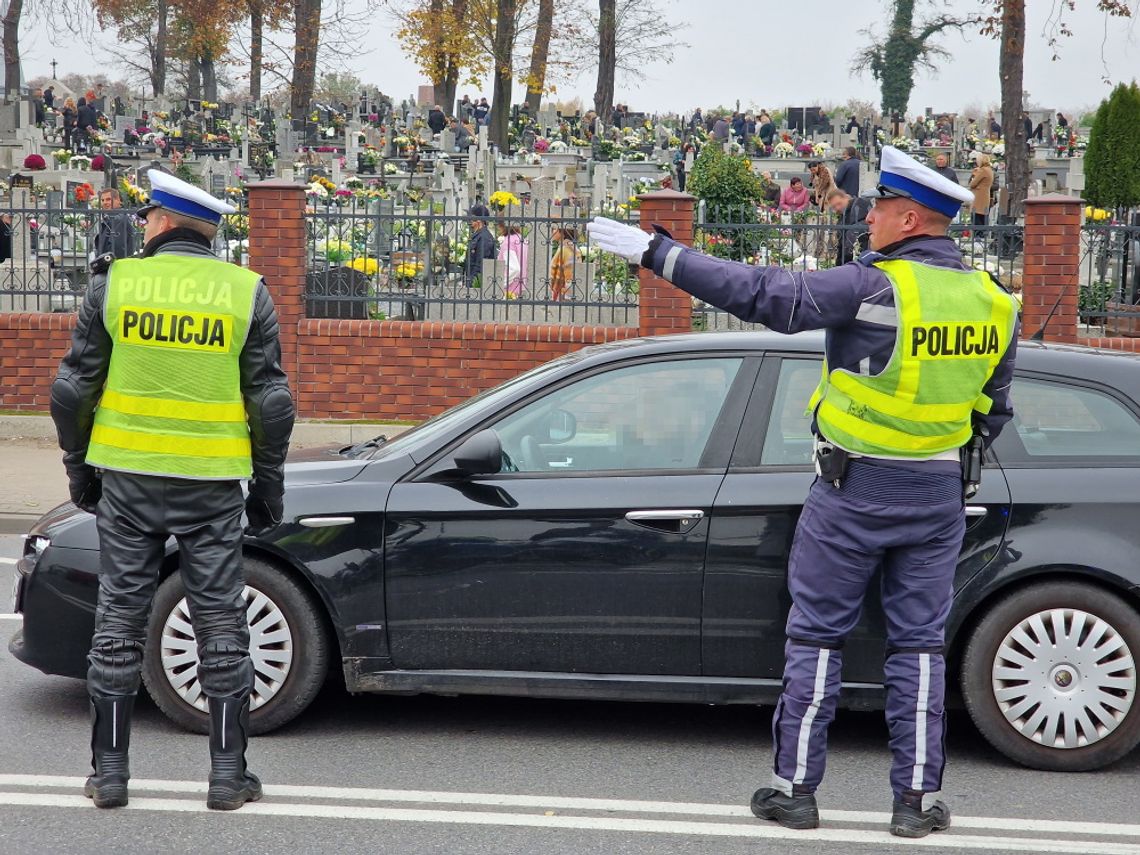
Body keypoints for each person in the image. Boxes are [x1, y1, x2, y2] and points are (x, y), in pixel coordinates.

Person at [587, 145, 1019, 840]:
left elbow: (766, 295)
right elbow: (993, 410)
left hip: (853, 490)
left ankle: (795, 789)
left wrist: (658, 253)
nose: (868, 215)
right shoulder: (994, 303)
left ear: (910, 217)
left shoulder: (873, 287)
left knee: (817, 636)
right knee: (918, 647)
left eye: (880, 206)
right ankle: (916, 801)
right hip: (939, 494)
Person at [50, 169, 295, 812]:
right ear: (209, 233)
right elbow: (271, 402)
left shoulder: (116, 285)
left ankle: (108, 776)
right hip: (212, 484)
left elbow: (72, 391)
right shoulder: (246, 293)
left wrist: (80, 470)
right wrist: (267, 486)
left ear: (161, 222)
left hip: (127, 480)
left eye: (146, 217)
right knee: (219, 623)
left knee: (119, 623)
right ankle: (226, 776)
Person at [825, 187, 871, 265]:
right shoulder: (842, 217)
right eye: (834, 207)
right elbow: (841, 245)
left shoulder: (859, 205)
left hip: (861, 258)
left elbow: (856, 232)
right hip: (849, 261)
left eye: (839, 203)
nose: (837, 208)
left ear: (846, 197)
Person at [93, 187, 138, 260]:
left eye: (108, 199)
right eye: (102, 200)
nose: (105, 203)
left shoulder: (117, 219)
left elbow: (117, 248)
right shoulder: (110, 218)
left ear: (118, 200)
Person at [464, 204, 498, 288]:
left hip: (477, 284)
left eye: (471, 217)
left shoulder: (484, 237)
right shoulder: (478, 235)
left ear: (479, 220)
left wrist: (471, 283)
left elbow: (480, 264)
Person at [549, 226, 579, 301]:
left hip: (563, 293)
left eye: (555, 229)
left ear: (562, 232)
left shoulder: (565, 249)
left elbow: (566, 273)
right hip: (566, 290)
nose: (552, 231)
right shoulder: (571, 247)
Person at [498, 221, 528, 298]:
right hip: (521, 287)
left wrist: (501, 283)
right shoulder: (521, 239)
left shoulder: (508, 242)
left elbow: (514, 268)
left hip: (510, 290)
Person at [969, 154, 994, 225]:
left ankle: (978, 235)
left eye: (977, 160)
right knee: (983, 218)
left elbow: (972, 184)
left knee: (976, 219)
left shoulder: (983, 170)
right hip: (985, 196)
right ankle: (982, 235)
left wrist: (974, 174)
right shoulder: (989, 170)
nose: (977, 162)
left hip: (979, 197)